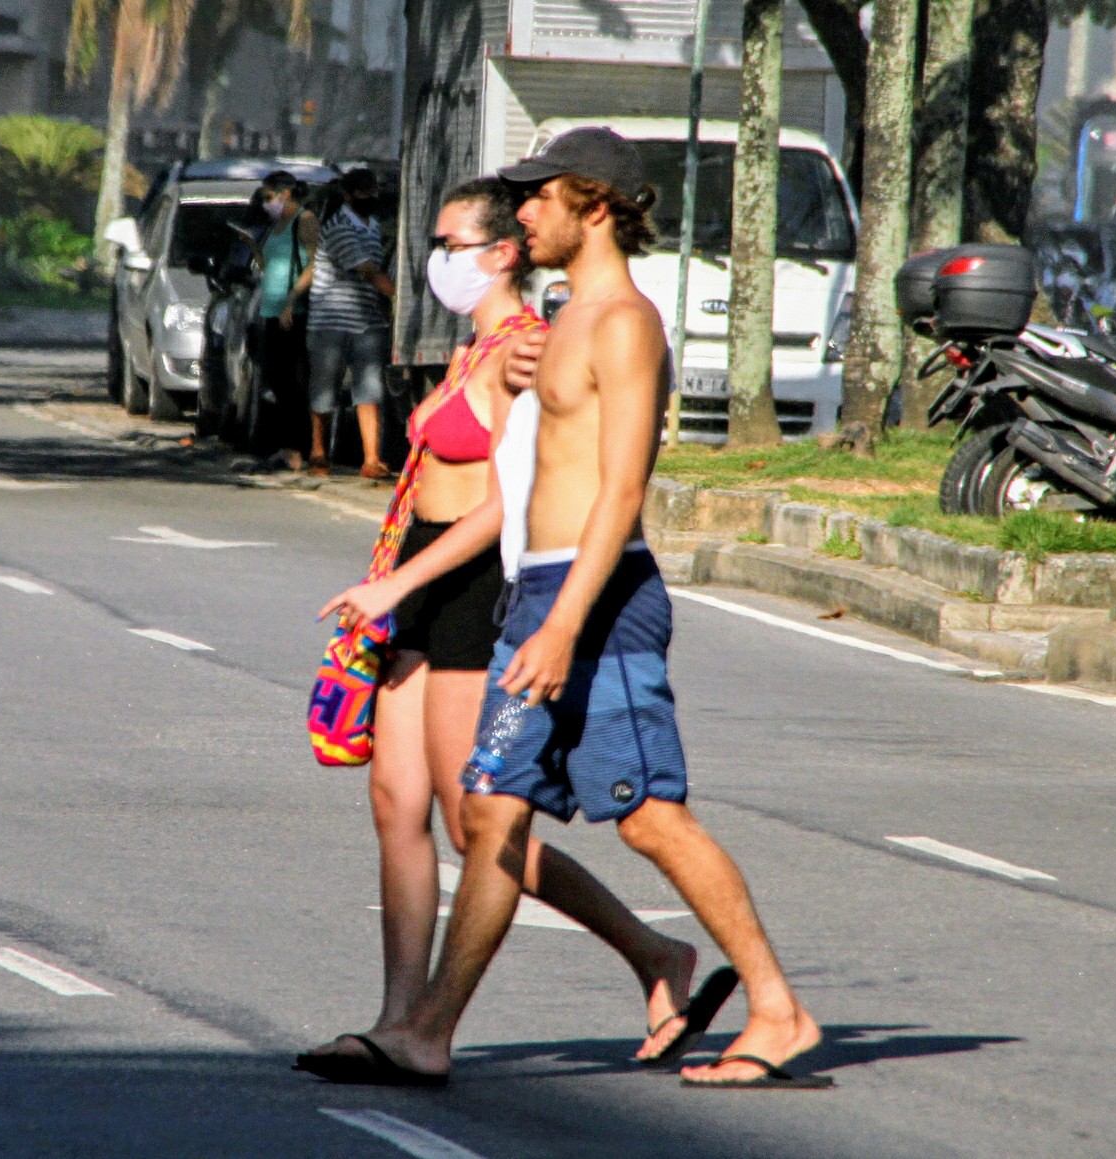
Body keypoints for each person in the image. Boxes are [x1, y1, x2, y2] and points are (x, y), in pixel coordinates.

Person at [308, 128, 824, 1089]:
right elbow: (535, 456)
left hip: (598, 595)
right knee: (492, 811)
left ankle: (777, 1006)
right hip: (539, 589)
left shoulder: (625, 322)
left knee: (649, 818)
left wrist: (559, 622)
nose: (525, 213)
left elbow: (620, 490)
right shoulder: (561, 318)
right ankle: (426, 1033)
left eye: (538, 196)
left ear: (594, 204)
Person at [307, 168, 394, 479]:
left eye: (372, 192)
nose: (370, 198)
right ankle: (318, 453)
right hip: (331, 320)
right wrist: (398, 297)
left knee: (370, 391)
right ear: (348, 195)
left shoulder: (371, 227)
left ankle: (371, 459)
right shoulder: (339, 226)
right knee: (324, 389)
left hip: (366, 320)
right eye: (363, 193)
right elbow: (368, 270)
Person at [250, 171, 320, 471]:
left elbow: (313, 265)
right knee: (275, 381)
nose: (267, 204)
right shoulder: (275, 225)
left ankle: (297, 449)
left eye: (269, 198)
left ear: (285, 194)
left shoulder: (304, 220)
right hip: (270, 310)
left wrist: (292, 299)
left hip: (293, 314)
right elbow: (270, 265)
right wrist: (254, 251)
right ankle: (283, 446)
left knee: (294, 383)